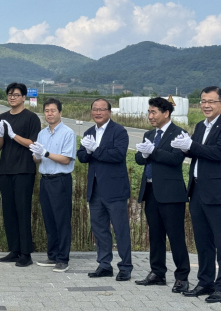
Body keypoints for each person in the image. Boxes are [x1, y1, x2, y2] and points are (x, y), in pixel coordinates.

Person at [134, 97, 190, 292]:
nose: (150, 116)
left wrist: (154, 152)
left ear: (166, 113)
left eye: (153, 112)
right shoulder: (149, 134)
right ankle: (157, 272)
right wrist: (143, 154)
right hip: (150, 191)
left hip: (171, 194)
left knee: (175, 236)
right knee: (155, 235)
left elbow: (176, 159)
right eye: (149, 112)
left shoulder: (179, 133)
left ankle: (182, 276)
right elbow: (140, 159)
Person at [171, 86, 221, 302]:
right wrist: (185, 148)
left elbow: (217, 152)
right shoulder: (201, 125)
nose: (206, 105)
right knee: (203, 240)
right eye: (202, 101)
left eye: (211, 101)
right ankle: (205, 281)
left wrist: (193, 146)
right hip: (198, 189)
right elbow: (198, 150)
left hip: (217, 191)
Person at [77, 98, 133, 281]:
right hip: (95, 189)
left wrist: (96, 150)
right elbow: (82, 156)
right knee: (100, 229)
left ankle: (125, 266)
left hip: (115, 189)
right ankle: (104, 264)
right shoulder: (88, 132)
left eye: (102, 109)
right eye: (95, 109)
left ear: (109, 112)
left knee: (120, 229)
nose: (98, 113)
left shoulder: (119, 131)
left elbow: (118, 155)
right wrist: (88, 151)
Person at [0, 83, 41, 267]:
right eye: (9, 94)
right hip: (6, 169)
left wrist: (13, 135)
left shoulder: (31, 118)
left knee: (23, 211)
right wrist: (0, 134)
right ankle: (14, 250)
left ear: (24, 97)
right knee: (8, 211)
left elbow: (33, 143)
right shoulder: (2, 117)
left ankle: (26, 253)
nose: (12, 97)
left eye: (16, 94)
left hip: (24, 170)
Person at [29, 98, 76, 273]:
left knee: (62, 220)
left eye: (53, 110)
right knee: (49, 219)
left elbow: (65, 159)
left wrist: (46, 153)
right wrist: (37, 154)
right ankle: (53, 255)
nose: (49, 114)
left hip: (60, 180)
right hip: (45, 179)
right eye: (47, 111)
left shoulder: (67, 133)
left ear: (60, 113)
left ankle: (63, 259)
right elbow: (37, 158)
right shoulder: (42, 134)